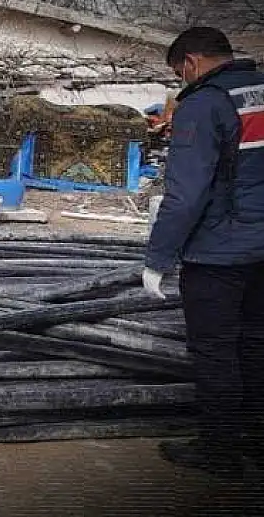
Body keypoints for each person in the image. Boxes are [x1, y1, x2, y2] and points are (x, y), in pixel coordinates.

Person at [143, 26, 264, 478]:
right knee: (255, 346)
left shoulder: (203, 103)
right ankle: (255, 442)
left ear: (191, 63)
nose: (182, 82)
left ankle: (221, 450)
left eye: (180, 74)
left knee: (216, 352)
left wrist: (158, 259)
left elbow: (185, 195)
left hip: (220, 254)